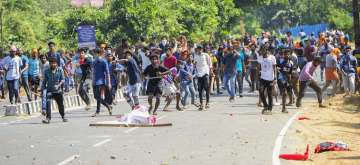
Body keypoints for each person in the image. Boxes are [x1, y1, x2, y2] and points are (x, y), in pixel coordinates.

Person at [41, 57, 68, 124]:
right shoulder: (46, 71)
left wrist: (58, 85)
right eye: (51, 63)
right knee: (48, 103)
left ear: (56, 64)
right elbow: (44, 81)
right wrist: (42, 89)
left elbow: (63, 79)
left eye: (54, 63)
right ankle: (48, 118)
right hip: (49, 91)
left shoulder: (60, 70)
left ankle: (63, 116)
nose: (53, 64)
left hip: (58, 91)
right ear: (49, 64)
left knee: (60, 105)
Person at [91, 48, 113, 117]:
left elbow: (107, 72)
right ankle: (107, 107)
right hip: (95, 81)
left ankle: (100, 110)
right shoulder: (94, 61)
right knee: (96, 97)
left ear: (99, 53)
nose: (94, 54)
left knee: (98, 96)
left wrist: (109, 83)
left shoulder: (103, 61)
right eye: (94, 53)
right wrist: (92, 80)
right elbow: (93, 72)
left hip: (100, 81)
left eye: (95, 53)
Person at [277, 48, 296, 113]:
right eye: (285, 54)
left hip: (287, 80)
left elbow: (291, 72)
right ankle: (284, 108)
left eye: (288, 54)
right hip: (281, 79)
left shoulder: (291, 63)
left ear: (290, 55)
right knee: (284, 93)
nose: (286, 56)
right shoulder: (280, 61)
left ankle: (290, 101)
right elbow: (276, 68)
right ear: (283, 55)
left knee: (289, 92)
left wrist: (290, 80)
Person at [193, 45, 212, 110]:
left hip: (205, 72)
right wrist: (194, 73)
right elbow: (194, 65)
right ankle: (201, 104)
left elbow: (210, 63)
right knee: (200, 89)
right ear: (197, 50)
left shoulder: (206, 55)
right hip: (199, 74)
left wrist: (211, 71)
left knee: (206, 88)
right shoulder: (195, 56)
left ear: (202, 49)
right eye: (198, 49)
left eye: (200, 49)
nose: (199, 50)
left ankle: (207, 102)